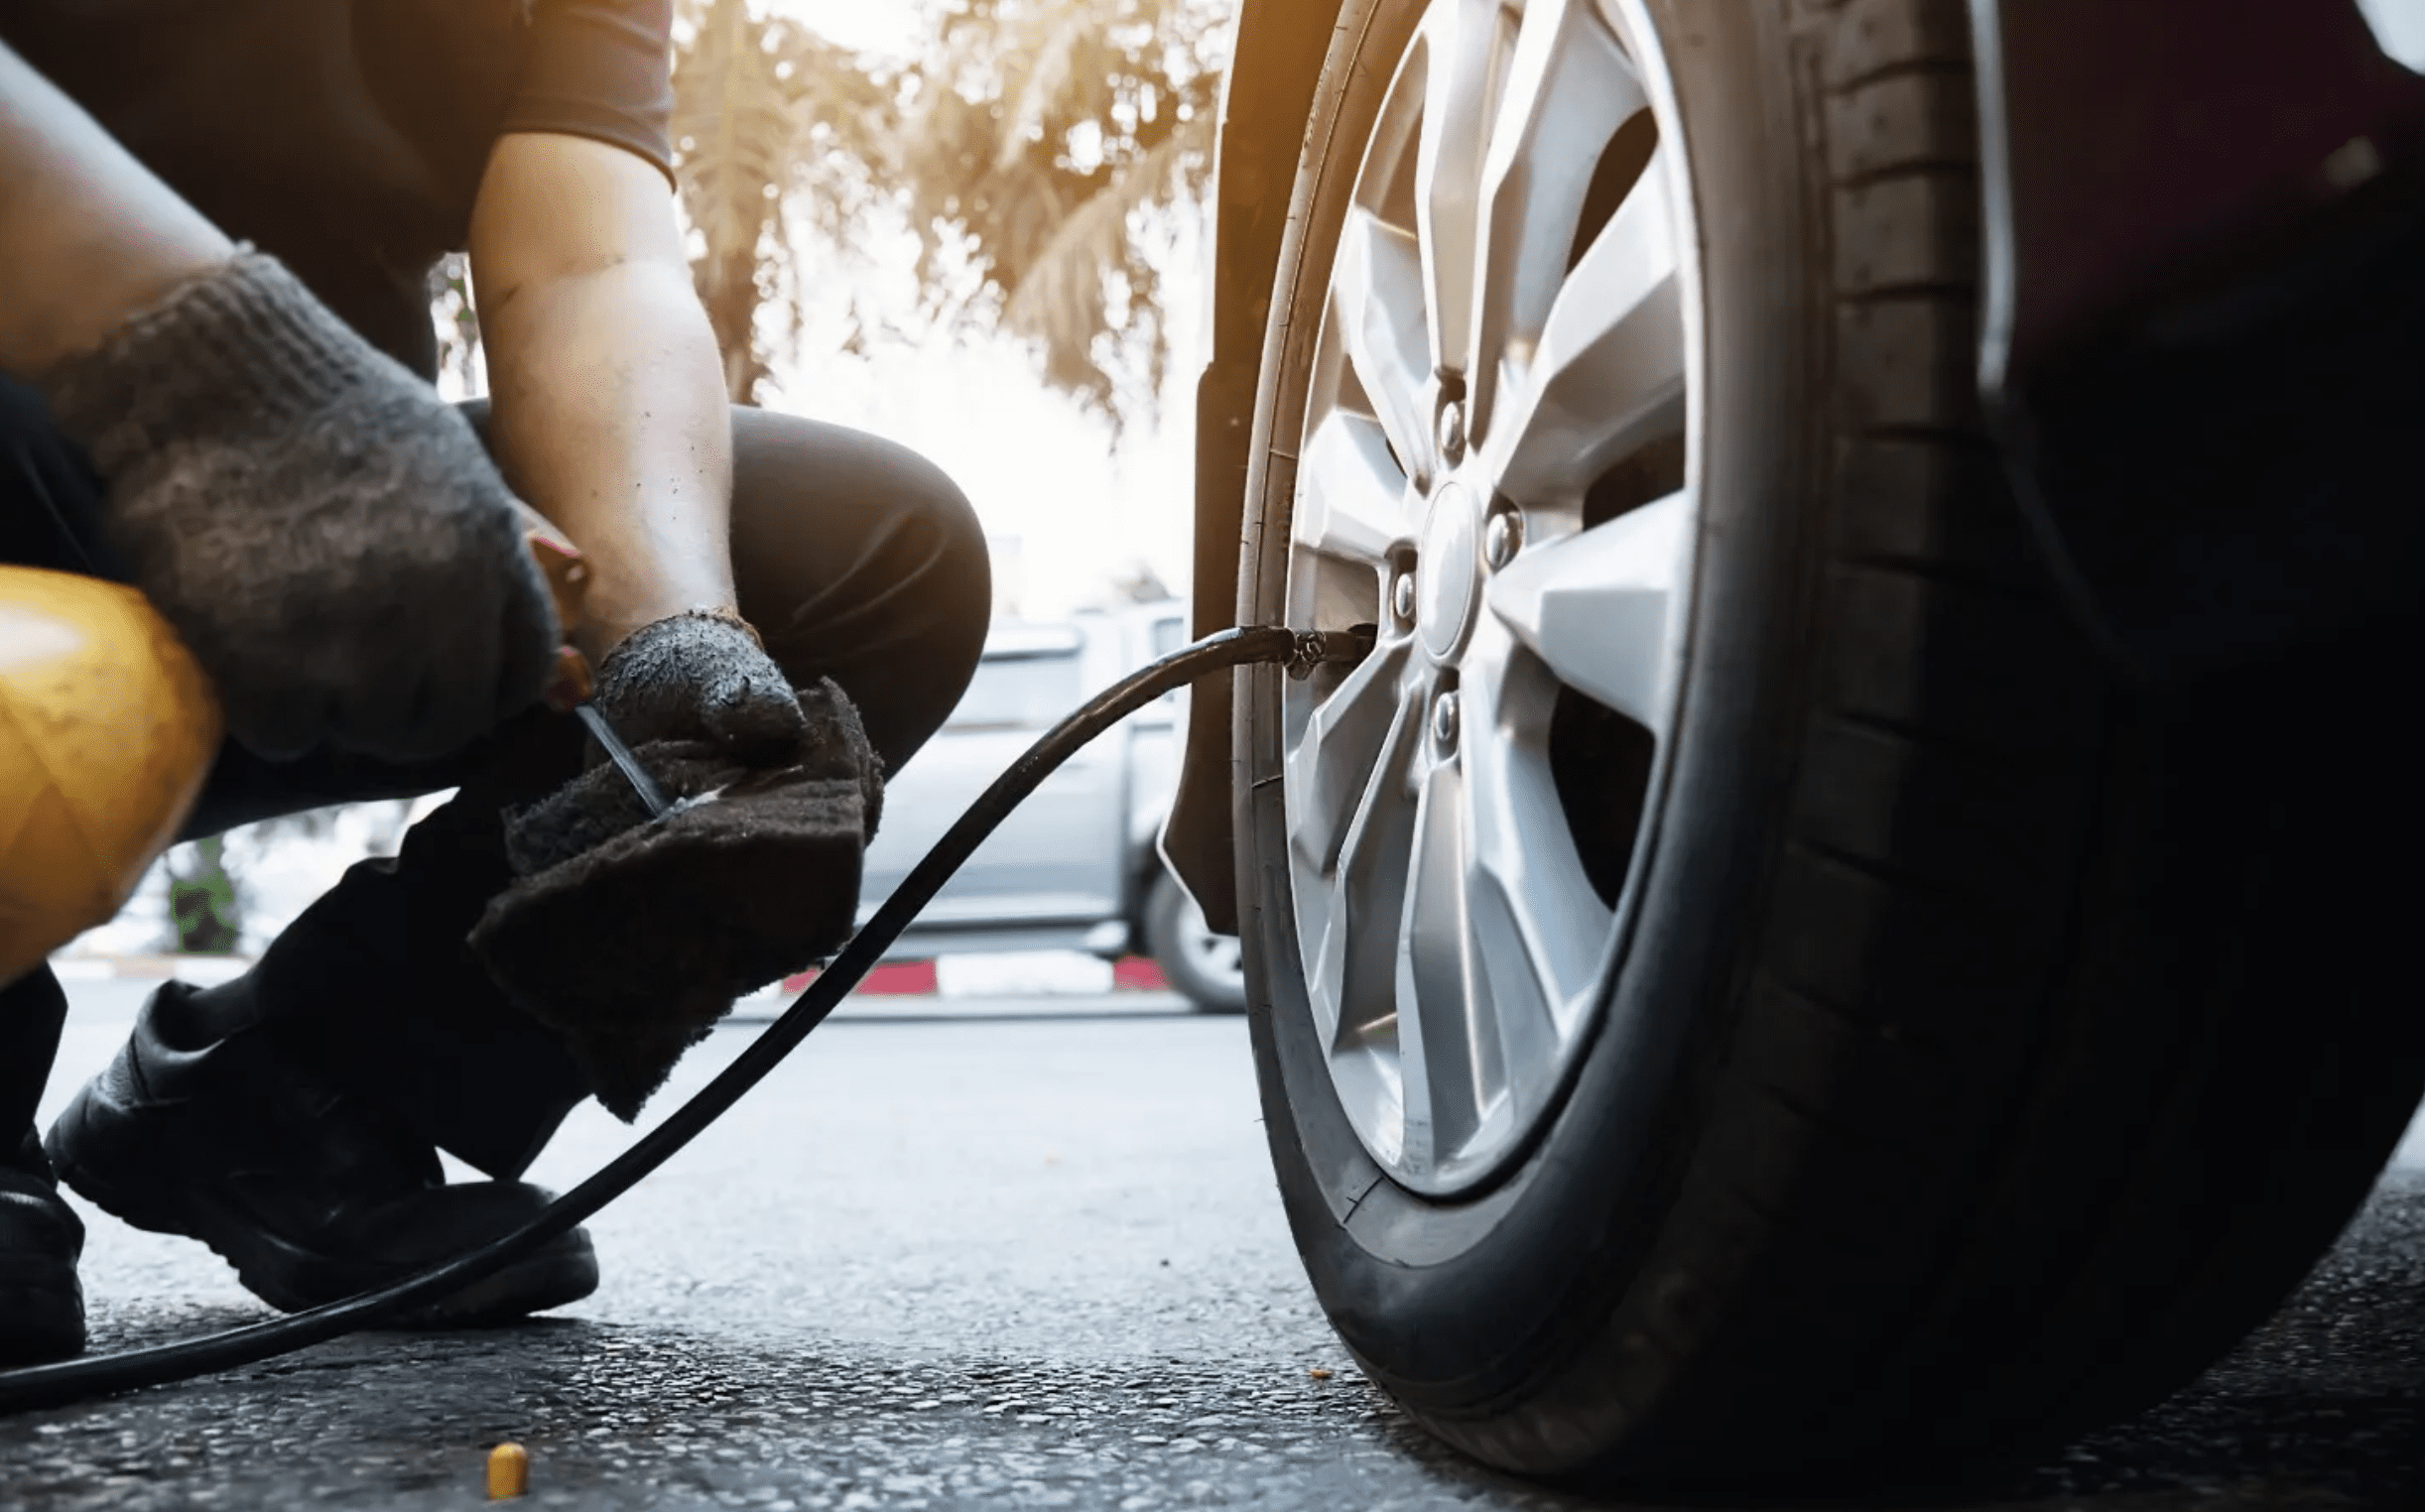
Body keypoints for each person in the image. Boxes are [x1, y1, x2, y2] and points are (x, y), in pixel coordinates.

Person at [0, 2, 990, 1367]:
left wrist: (667, 640)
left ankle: (294, 1091)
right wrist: (214, 373)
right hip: (62, 451)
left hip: (328, 525)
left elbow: (589, 262)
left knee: (875, 563)